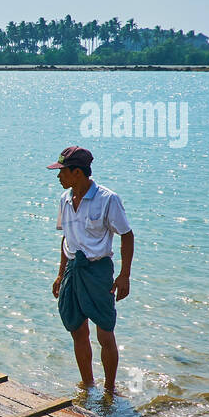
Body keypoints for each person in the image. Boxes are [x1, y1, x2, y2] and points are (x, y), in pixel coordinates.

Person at [49, 146, 134, 396]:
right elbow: (67, 238)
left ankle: (109, 389)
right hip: (73, 270)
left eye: (62, 171)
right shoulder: (65, 199)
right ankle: (87, 386)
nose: (58, 177)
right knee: (77, 329)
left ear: (77, 172)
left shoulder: (107, 199)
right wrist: (60, 272)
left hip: (98, 271)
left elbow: (126, 236)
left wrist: (124, 275)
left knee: (105, 331)